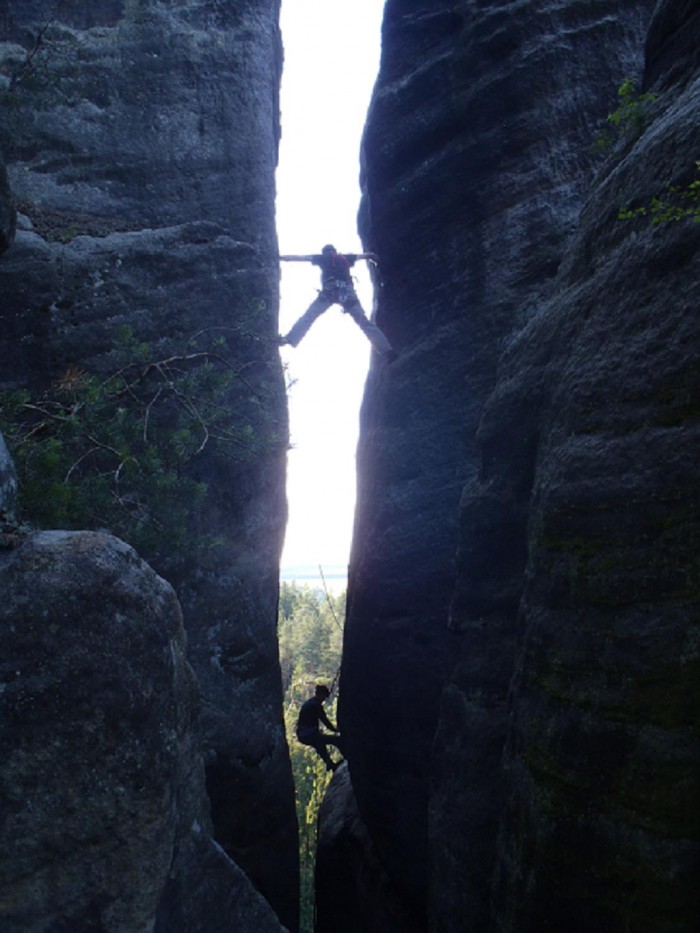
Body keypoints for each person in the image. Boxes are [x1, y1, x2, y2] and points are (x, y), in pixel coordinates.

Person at [279, 244, 395, 358]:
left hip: (329, 292)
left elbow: (301, 258)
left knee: (309, 316)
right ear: (335, 251)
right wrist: (375, 258)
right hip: (347, 293)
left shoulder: (322, 258)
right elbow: (367, 255)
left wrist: (282, 258)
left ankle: (289, 339)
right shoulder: (345, 258)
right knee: (364, 322)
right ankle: (387, 351)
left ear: (325, 252)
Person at [295, 684, 344, 772]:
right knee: (336, 740)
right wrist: (337, 730)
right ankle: (346, 757)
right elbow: (326, 723)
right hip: (308, 735)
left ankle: (330, 764)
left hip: (303, 735)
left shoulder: (310, 703)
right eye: (324, 697)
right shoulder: (316, 706)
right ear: (320, 694)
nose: (324, 700)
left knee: (320, 744)